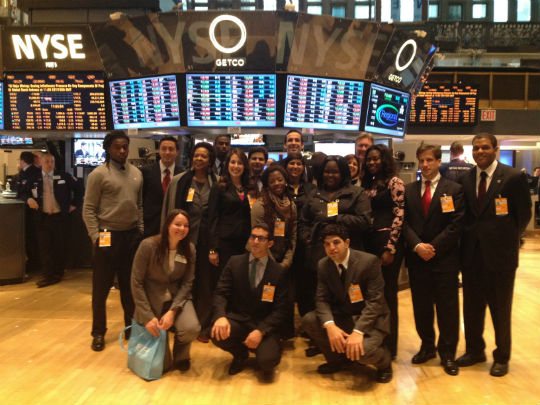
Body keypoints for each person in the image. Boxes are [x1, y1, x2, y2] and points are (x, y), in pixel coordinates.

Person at [457, 133, 532, 377]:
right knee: (472, 308)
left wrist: (507, 238)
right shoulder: (466, 178)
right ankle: (475, 350)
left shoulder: (512, 177)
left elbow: (523, 215)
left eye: (485, 147)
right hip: (471, 258)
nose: (480, 152)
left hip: (501, 258)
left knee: (500, 310)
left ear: (496, 149)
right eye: (476, 148)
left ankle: (502, 357)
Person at [301, 224, 393, 383]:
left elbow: (375, 302)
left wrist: (358, 331)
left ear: (347, 243)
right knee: (309, 320)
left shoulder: (369, 262)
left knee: (362, 352)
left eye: (336, 242)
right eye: (327, 244)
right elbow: (321, 299)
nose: (332, 248)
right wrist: (330, 326)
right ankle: (337, 361)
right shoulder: (323, 265)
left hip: (370, 320)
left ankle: (385, 363)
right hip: (343, 316)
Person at [403, 144, 464, 376]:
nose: (425, 165)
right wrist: (418, 246)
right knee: (422, 308)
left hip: (444, 260)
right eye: (422, 160)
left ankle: (447, 353)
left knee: (448, 309)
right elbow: (404, 223)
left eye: (429, 160)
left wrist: (433, 247)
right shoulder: (409, 190)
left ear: (439, 161)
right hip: (418, 260)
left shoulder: (454, 190)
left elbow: (456, 225)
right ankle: (427, 346)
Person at [83, 130, 144, 352]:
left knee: (130, 288)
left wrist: (140, 231)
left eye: (125, 147)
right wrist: (95, 237)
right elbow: (88, 209)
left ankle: (131, 327)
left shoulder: (137, 173)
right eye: (117, 147)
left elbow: (139, 206)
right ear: (108, 149)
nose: (122, 151)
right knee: (101, 290)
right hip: (107, 236)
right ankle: (98, 332)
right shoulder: (98, 175)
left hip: (130, 236)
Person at [211, 224, 288, 381]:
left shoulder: (278, 272)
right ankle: (240, 354)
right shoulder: (235, 262)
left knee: (267, 362)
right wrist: (220, 316)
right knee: (217, 333)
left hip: (264, 325)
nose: (256, 241)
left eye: (261, 238)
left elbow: (281, 310)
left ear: (270, 243)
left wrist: (261, 331)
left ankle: (264, 350)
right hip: (239, 320)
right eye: (253, 237)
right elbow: (221, 293)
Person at [131, 209, 200, 372]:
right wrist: (147, 316)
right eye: (177, 224)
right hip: (151, 299)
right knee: (162, 368)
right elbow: (136, 282)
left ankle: (181, 354)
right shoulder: (148, 245)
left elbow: (187, 283)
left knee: (192, 328)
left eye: (185, 226)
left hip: (177, 299)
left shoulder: (189, 249)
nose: (181, 229)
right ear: (167, 225)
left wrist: (173, 311)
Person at [162, 142, 216, 342]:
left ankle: (202, 325)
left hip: (206, 243)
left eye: (204, 156)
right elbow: (168, 212)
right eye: (196, 155)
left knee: (205, 283)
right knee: (181, 281)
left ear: (210, 160)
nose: (199, 159)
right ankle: (177, 320)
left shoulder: (216, 182)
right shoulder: (179, 181)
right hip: (183, 240)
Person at [361, 144, 405, 360]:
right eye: (369, 159)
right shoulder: (366, 183)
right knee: (373, 297)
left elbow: (400, 215)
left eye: (376, 158)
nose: (372, 162)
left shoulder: (394, 182)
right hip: (369, 244)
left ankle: (390, 347)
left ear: (384, 159)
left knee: (388, 296)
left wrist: (391, 246)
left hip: (386, 244)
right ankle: (374, 341)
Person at [19, 152, 83, 287]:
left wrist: (74, 205)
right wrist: (29, 199)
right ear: (41, 162)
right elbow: (22, 191)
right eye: (47, 161)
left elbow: (79, 188)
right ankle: (48, 275)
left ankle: (58, 273)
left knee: (59, 246)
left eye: (52, 161)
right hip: (42, 218)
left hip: (60, 217)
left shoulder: (63, 176)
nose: (49, 164)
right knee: (44, 247)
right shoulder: (34, 178)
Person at [207, 148, 252, 335]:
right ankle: (217, 319)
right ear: (227, 165)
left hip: (244, 243)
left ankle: (235, 319)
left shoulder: (248, 187)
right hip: (224, 243)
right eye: (232, 162)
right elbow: (212, 218)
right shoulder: (219, 187)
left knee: (239, 281)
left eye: (240, 163)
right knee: (222, 282)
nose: (236, 166)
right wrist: (213, 248)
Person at [283, 153, 316, 334]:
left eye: (298, 163)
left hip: (306, 245)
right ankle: (286, 329)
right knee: (286, 289)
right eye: (291, 163)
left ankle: (308, 328)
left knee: (306, 288)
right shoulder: (280, 186)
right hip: (285, 244)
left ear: (303, 167)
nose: (295, 166)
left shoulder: (311, 188)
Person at [251, 164, 297, 270]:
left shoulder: (291, 205)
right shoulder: (259, 205)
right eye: (272, 181)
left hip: (284, 261)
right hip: (261, 260)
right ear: (267, 185)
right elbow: (257, 238)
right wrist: (273, 265)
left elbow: (293, 236)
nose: (277, 183)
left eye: (280, 180)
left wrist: (286, 262)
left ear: (285, 181)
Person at [141, 137, 182, 238]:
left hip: (175, 227)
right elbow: (140, 200)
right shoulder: (145, 172)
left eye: (171, 149)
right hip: (150, 227)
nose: (167, 152)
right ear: (159, 151)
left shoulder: (183, 174)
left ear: (177, 152)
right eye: (164, 149)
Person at [16, 151, 42, 273]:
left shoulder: (29, 173)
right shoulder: (29, 172)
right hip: (34, 212)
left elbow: (22, 191)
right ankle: (34, 263)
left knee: (32, 238)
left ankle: (34, 264)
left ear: (22, 161)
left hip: (33, 212)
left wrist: (28, 198)